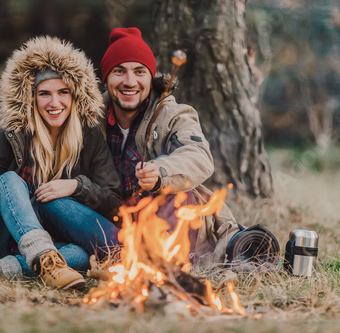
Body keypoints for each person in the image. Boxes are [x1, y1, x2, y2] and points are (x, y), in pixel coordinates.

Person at [0, 36, 122, 289]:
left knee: (81, 256)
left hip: (36, 245)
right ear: (31, 98)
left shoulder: (89, 138)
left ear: (75, 96)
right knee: (8, 179)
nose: (54, 103)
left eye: (63, 92)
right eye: (44, 94)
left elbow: (113, 202)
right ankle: (42, 256)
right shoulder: (14, 134)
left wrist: (76, 186)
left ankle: (1, 269)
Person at [100, 27, 241, 267]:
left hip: (165, 222)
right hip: (112, 224)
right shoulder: (92, 118)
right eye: (119, 71)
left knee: (176, 191)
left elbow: (198, 157)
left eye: (139, 71)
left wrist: (160, 172)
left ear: (150, 77)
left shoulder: (173, 115)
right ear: (107, 78)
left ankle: (166, 265)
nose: (129, 81)